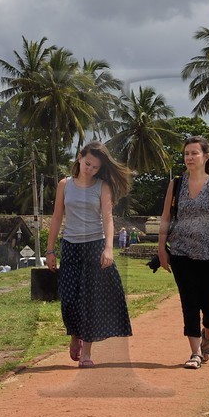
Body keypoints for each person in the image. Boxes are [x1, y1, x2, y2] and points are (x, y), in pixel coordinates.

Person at [45, 141, 134, 368]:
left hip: (95, 246)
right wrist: (50, 249)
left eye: (94, 167)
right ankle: (75, 335)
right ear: (79, 157)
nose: (90, 169)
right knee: (68, 299)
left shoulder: (102, 187)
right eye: (87, 164)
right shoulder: (65, 185)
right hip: (71, 247)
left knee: (90, 302)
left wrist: (109, 248)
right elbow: (56, 218)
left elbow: (108, 219)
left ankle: (86, 353)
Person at [157, 136, 209, 369]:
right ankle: (195, 353)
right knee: (189, 303)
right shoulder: (176, 184)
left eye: (194, 153)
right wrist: (161, 249)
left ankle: (207, 337)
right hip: (181, 254)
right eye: (186, 154)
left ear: (206, 156)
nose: (189, 158)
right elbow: (166, 218)